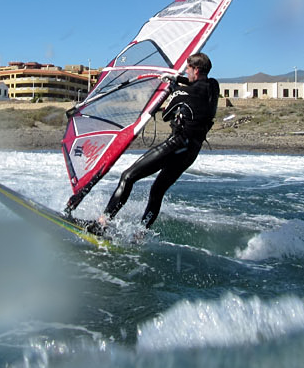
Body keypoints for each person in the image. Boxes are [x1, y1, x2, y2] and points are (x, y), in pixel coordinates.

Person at [89, 52, 220, 234]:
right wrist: (177, 79)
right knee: (157, 191)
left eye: (188, 68)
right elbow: (195, 85)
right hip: (191, 151)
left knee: (128, 177)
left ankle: (102, 222)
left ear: (196, 70)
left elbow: (166, 115)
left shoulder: (184, 93)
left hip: (176, 143)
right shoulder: (214, 86)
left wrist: (173, 88)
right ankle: (140, 234)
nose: (186, 71)